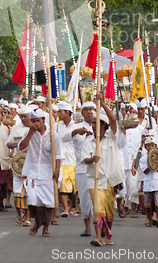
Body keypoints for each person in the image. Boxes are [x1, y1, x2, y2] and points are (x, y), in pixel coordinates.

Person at [81, 93, 124, 247]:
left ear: (103, 125)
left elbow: (113, 120)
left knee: (109, 211)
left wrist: (102, 103)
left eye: (96, 122)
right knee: (98, 209)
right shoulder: (88, 140)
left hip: (111, 179)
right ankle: (98, 237)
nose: (93, 125)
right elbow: (85, 159)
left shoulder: (111, 137)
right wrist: (92, 159)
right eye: (92, 122)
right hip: (94, 179)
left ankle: (108, 235)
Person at [19, 108, 62, 237]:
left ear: (43, 120)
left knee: (47, 202)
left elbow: (59, 155)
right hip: (32, 171)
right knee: (33, 201)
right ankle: (37, 223)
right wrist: (31, 132)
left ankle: (46, 227)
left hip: (47, 173)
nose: (36, 123)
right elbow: (21, 147)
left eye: (38, 121)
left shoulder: (53, 135)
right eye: (33, 121)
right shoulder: (28, 132)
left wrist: (57, 170)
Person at [62, 101, 96, 236]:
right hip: (82, 169)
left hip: (99, 169)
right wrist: (76, 132)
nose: (89, 112)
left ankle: (101, 227)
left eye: (91, 109)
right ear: (82, 113)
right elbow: (63, 138)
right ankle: (87, 227)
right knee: (85, 198)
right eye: (86, 110)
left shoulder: (100, 125)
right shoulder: (77, 127)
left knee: (99, 199)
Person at [6, 106, 32, 226]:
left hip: (31, 164)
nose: (23, 118)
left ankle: (27, 217)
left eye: (25, 116)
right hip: (18, 164)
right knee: (17, 193)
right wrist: (18, 143)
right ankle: (19, 214)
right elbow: (8, 144)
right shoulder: (16, 129)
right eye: (21, 116)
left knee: (27, 192)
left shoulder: (36, 129)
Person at [57, 101, 77, 217]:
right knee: (64, 183)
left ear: (67, 112)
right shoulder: (57, 126)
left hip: (73, 158)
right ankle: (65, 209)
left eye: (60, 112)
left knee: (73, 186)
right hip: (61, 158)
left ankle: (72, 207)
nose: (59, 114)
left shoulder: (76, 126)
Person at [139, 136, 158, 227]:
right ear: (145, 147)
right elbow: (145, 170)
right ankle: (149, 219)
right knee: (148, 202)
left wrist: (155, 164)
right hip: (148, 182)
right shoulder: (143, 159)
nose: (150, 147)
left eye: (152, 145)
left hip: (156, 182)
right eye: (148, 146)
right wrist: (151, 165)